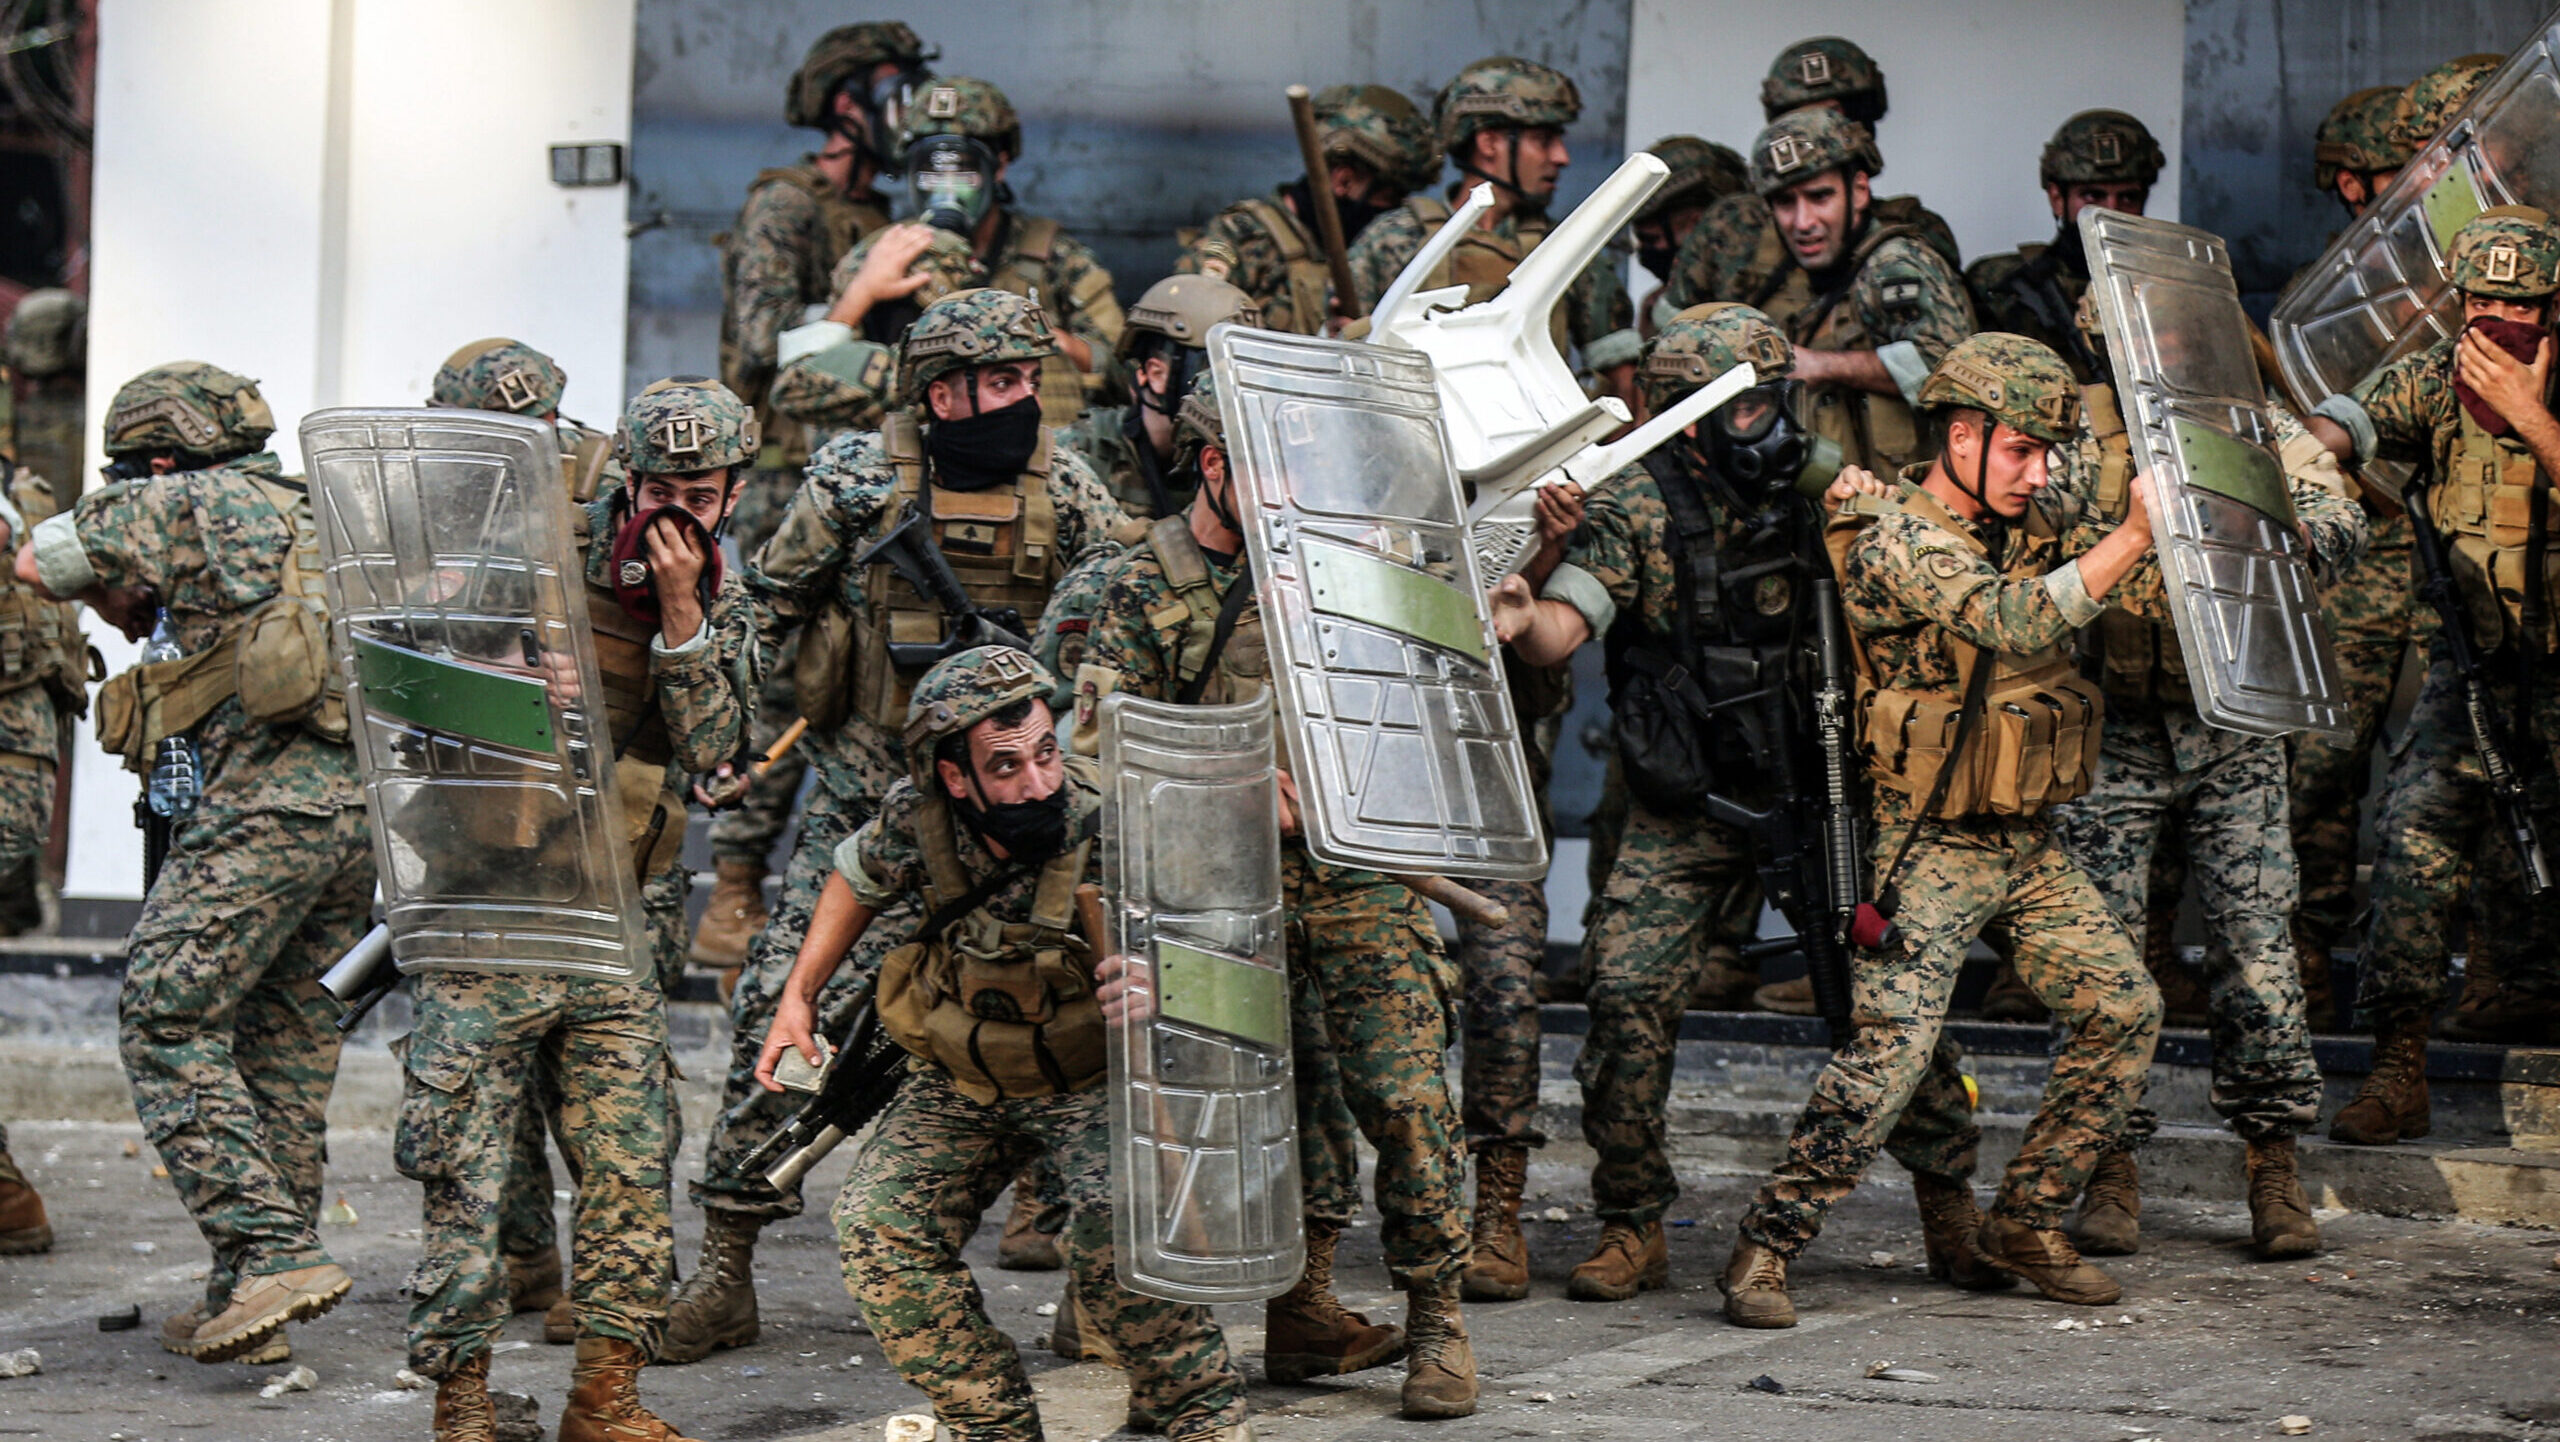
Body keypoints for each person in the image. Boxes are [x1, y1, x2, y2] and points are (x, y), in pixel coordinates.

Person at [664, 288, 1130, 1362]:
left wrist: (1049, 701)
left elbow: (1122, 621)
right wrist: (728, 730)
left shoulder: (1066, 488)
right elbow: (770, 608)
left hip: (1021, 815)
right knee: (774, 1026)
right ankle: (726, 1264)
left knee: (1065, 1040)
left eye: (1024, 379)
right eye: (990, 383)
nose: (1011, 401)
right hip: (868, 802)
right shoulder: (857, 479)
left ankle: (1100, 1289)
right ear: (938, 392)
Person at [1491, 303, 1966, 1303]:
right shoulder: (1635, 501)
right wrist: (1523, 596)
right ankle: (1632, 1221)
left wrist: (1870, 504)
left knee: (1886, 995)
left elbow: (1934, 583)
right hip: (1689, 800)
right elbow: (1558, 633)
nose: (1762, 425)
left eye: (1771, 402)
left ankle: (1951, 1204)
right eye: (1734, 408)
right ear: (1683, 416)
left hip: (1818, 785)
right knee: (1625, 994)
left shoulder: (1822, 485)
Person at [1717, 334, 2165, 1325]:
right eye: (2016, 451)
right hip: (1923, 842)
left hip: (2021, 834)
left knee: (2123, 1008)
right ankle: (1767, 1240)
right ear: (1960, 437)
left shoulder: (2031, 515)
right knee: (1890, 1053)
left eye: (2047, 454)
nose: (2036, 472)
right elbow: (2009, 618)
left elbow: (2121, 578)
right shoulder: (1895, 537)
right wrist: (2132, 535)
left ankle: (2027, 1215)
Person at [1071, 372, 1479, 1418]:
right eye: (1277, 471)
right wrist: (1232, 783)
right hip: (1216, 887)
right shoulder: (1139, 585)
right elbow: (1098, 764)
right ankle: (1278, 1306)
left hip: (1351, 878)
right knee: (1256, 1107)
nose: (1304, 492)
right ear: (1214, 468)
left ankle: (1437, 1314)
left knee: (1402, 1091)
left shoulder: (1344, 567)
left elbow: (1420, 714)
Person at [756, 644, 1251, 1442]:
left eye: (1046, 753)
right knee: (880, 1230)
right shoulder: (918, 819)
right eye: (1008, 766)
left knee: (1116, 1231)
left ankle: (1193, 1404)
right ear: (957, 778)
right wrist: (798, 996)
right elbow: (855, 876)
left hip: (1093, 1074)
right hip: (964, 1073)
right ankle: (993, 1423)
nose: (1038, 782)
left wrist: (1170, 988)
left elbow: (1236, 942)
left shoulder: (1123, 817)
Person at [398, 377, 756, 1442]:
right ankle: (461, 1402)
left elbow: (717, 751)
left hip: (611, 915)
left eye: (699, 490)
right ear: (623, 479)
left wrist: (683, 615)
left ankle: (606, 1395)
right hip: (490, 903)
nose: (675, 511)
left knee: (626, 1162)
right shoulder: (525, 548)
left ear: (732, 491)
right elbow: (401, 688)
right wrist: (509, 679)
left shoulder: (724, 591)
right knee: (461, 1162)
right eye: (657, 487)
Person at [19, 363, 376, 1362]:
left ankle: (266, 1248)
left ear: (160, 457)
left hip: (267, 812)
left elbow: (40, 563)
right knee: (283, 1048)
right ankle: (251, 1300)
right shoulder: (311, 505)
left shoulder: (184, 498)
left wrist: (113, 539)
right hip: (360, 824)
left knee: (165, 1012)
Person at [2046, 295, 2366, 1260]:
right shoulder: (2071, 430)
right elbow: (2019, 524)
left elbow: (2334, 520)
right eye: (2134, 336)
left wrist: (2268, 524)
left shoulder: (2250, 427)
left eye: (2173, 333)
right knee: (2100, 957)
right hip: (2117, 725)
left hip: (2233, 723)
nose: (2158, 351)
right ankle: (2109, 1164)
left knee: (2257, 948)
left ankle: (2273, 1165)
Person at [2303, 207, 2560, 1138]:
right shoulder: (2437, 379)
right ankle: (2396, 1070)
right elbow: (2347, 422)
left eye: (2520, 303)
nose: (2497, 320)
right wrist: (2300, 460)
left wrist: (2534, 419)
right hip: (2473, 680)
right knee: (2411, 845)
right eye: (2481, 299)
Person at [697, 20, 937, 975]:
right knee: (780, 686)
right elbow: (757, 358)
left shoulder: (895, 210)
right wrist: (857, 297)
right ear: (847, 105)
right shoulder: (785, 211)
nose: (908, 118)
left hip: (878, 478)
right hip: (784, 482)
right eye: (892, 96)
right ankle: (735, 891)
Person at [2285, 81, 2419, 1033]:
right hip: (2366, 547)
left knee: (2469, 775)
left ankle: (2500, 975)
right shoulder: (2345, 297)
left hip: (2460, 551)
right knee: (2319, 763)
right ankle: (2302, 961)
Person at [1341, 55, 1641, 409]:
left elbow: (1623, 384)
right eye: (1543, 140)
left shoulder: (1562, 248)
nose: (1562, 157)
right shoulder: (1394, 240)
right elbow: (1344, 366)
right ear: (1489, 143)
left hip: (1541, 455)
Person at [1732, 106, 1976, 481]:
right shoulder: (1786, 277)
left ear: (1859, 191)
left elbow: (1954, 373)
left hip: (1906, 509)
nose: (1803, 222)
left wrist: (1821, 365)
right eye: (1785, 202)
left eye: (1819, 197)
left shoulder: (1895, 264)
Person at [1661, 36, 1960, 321]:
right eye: (1797, 121)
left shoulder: (1913, 236)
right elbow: (1668, 332)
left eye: (1832, 116)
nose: (1812, 135)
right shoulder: (1732, 226)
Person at [897, 75, 1125, 426]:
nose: (945, 188)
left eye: (964, 171)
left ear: (998, 167)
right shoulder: (888, 255)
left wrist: (1046, 341)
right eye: (929, 171)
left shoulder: (1055, 256)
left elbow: (1121, 368)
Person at [1177, 83, 1438, 334]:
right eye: (1388, 196)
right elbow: (1190, 334)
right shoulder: (1243, 241)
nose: (1391, 210)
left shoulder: (1382, 253)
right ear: (1343, 180)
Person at [1964, 111, 2167, 382]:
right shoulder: (1998, 284)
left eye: (2128, 197)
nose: (2111, 212)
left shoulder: (2169, 288)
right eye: (2093, 196)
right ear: (2057, 198)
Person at [1058, 269, 1262, 522]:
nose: (1229, 387)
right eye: (1211, 370)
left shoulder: (1255, 466)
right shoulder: (1079, 455)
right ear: (1156, 374)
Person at [1630, 135, 1749, 335]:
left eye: (1652, 239)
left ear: (1698, 224)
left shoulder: (1748, 294)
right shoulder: (1658, 305)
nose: (1645, 252)